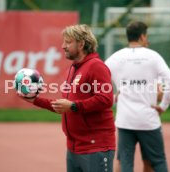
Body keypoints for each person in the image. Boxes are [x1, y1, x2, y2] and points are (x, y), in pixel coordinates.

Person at [18, 24, 116, 172]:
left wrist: (74, 106)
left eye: (68, 42)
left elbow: (106, 99)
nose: (63, 46)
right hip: (74, 147)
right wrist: (35, 100)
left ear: (81, 44)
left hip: (96, 146)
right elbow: (65, 106)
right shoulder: (72, 69)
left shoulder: (96, 66)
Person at [105, 21, 170, 172]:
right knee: (157, 162)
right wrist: (163, 105)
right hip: (148, 120)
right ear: (142, 36)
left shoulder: (116, 57)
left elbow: (97, 78)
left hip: (125, 120)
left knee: (125, 163)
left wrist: (112, 98)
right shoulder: (153, 56)